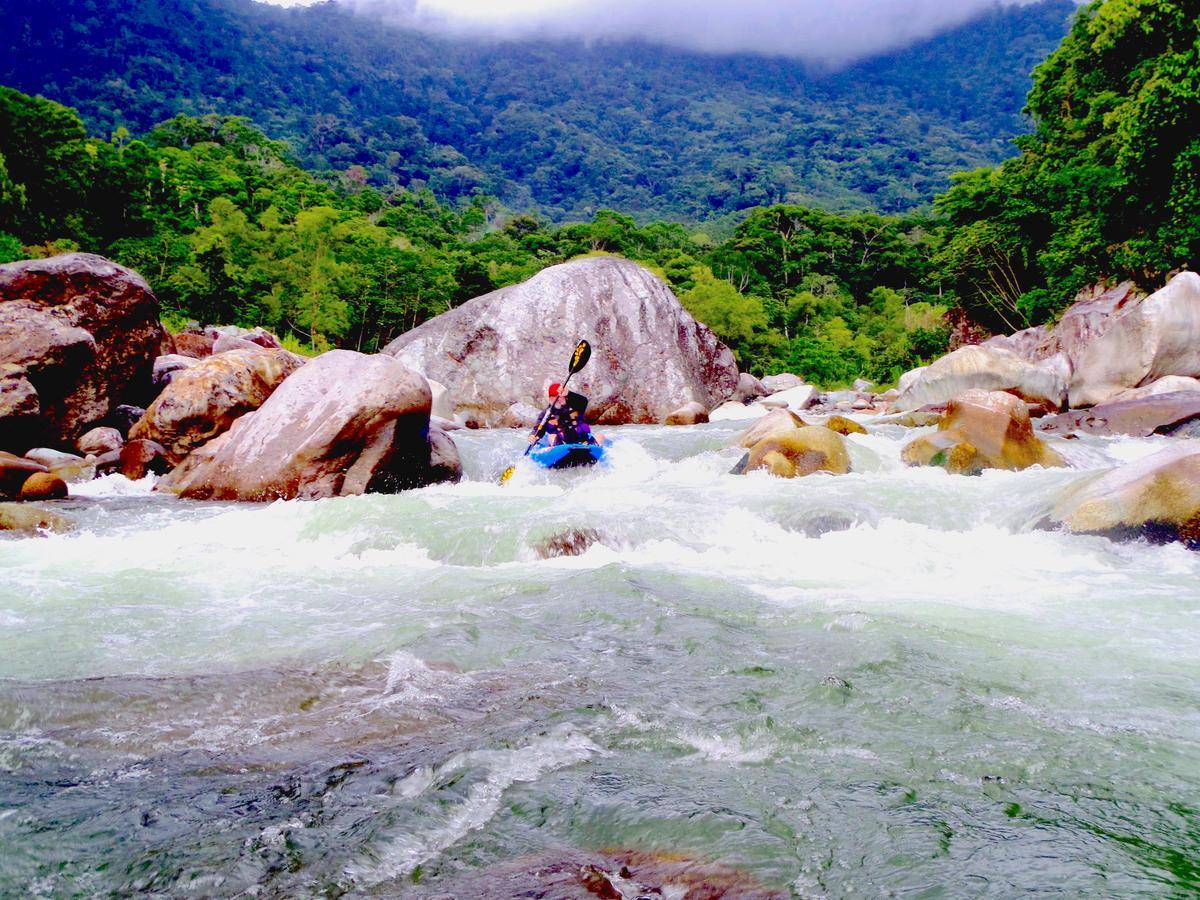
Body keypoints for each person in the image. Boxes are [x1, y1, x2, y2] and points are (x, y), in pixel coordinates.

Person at [530, 382, 596, 447]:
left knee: (600, 436)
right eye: (554, 397)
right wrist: (533, 436)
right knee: (551, 437)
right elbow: (537, 430)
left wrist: (569, 393)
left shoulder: (575, 405)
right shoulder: (546, 414)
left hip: (582, 440)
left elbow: (584, 401)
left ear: (565, 397)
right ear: (550, 399)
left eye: (560, 397)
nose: (558, 399)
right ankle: (559, 450)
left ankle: (593, 449)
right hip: (561, 444)